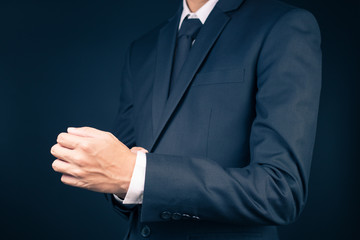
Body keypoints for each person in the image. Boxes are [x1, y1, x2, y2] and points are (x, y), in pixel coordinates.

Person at [50, 0, 322, 239]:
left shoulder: (282, 26)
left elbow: (280, 191)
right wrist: (124, 183)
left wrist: (139, 174)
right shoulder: (142, 48)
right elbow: (124, 173)